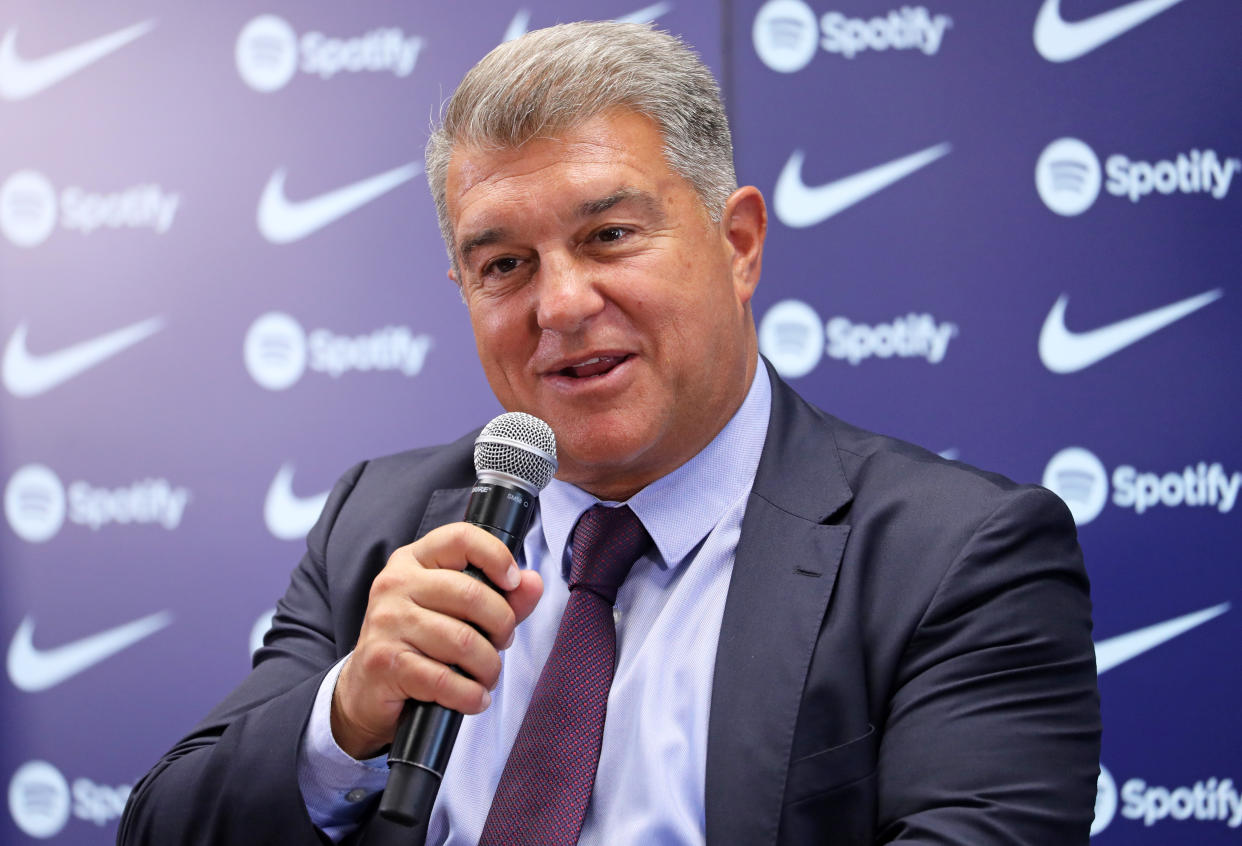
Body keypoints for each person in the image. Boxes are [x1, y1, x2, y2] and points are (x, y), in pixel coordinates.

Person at [119, 21, 1101, 845]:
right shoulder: (379, 523)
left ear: (738, 244)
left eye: (609, 236)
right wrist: (344, 721)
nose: (560, 304)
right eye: (503, 264)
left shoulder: (957, 558)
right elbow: (164, 826)